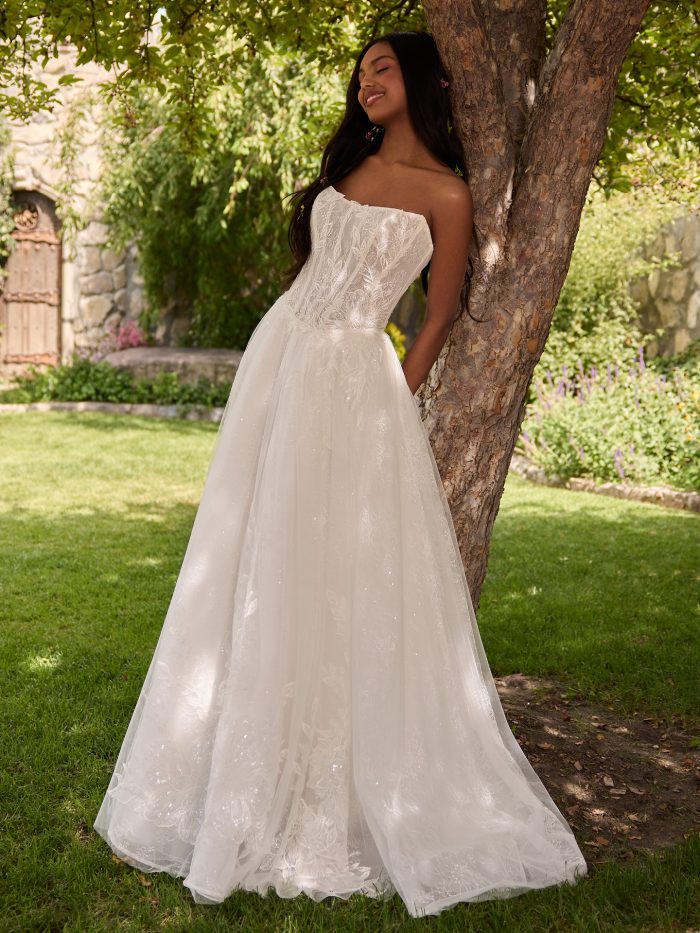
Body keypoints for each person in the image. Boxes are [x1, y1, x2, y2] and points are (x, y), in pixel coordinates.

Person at [94, 29, 587, 919]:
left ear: (425, 82)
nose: (367, 84)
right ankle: (243, 759)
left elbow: (436, 316)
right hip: (282, 358)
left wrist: (391, 393)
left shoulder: (448, 192)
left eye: (383, 69)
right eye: (360, 74)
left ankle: (340, 777)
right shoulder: (347, 173)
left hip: (357, 381)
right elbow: (313, 279)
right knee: (259, 546)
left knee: (340, 569)